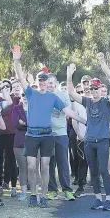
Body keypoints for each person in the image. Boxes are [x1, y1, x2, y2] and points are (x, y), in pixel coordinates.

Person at [12, 45, 86, 208]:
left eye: (45, 80)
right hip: (31, 135)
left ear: (48, 82)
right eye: (40, 80)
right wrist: (17, 60)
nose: (43, 83)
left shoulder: (54, 98)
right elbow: (20, 77)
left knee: (45, 166)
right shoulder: (31, 93)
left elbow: (69, 112)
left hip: (47, 135)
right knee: (32, 166)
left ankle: (44, 196)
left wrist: (85, 121)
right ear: (37, 83)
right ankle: (34, 194)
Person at [68, 63, 110, 210]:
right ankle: (98, 198)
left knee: (103, 169)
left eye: (96, 88)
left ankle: (108, 199)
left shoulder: (106, 102)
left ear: (100, 89)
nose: (94, 91)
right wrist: (69, 74)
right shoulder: (87, 101)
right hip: (89, 142)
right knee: (93, 171)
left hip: (102, 141)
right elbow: (71, 92)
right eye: (92, 89)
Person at [46, 73, 76, 201]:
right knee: (49, 164)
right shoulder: (42, 96)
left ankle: (67, 190)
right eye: (47, 83)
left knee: (63, 162)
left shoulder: (63, 96)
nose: (49, 86)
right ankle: (52, 190)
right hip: (46, 134)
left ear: (56, 83)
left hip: (61, 133)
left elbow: (68, 112)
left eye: (52, 83)